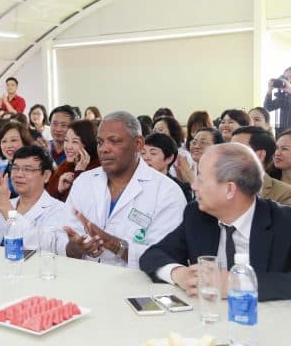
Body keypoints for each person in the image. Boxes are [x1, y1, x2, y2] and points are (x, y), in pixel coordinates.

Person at [139, 143, 291, 301]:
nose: (194, 186)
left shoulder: (289, 223)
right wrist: (179, 274)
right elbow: (154, 254)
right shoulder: (197, 215)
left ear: (230, 189)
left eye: (201, 179)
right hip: (208, 319)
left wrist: (237, 284)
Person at [61, 111, 187, 268]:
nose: (104, 149)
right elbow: (64, 242)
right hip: (83, 277)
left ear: (138, 143)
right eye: (100, 142)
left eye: (114, 141)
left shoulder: (167, 192)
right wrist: (76, 247)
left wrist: (112, 243)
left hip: (138, 282)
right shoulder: (84, 182)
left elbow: (165, 257)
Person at [0, 146, 65, 250]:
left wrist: (4, 206)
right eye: (15, 168)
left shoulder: (58, 210)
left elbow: (45, 246)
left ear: (46, 175)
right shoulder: (6, 204)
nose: (19, 174)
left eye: (27, 169)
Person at [231, 126, 291, 207]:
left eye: (238, 149)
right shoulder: (220, 184)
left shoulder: (284, 193)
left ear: (260, 155)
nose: (228, 155)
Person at [46, 120, 100, 202]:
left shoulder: (97, 169)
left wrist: (79, 172)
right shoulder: (66, 165)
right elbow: (47, 202)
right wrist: (59, 190)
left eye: (75, 142)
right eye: (66, 140)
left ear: (87, 144)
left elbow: (79, 203)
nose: (68, 147)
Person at [142, 133, 193, 202]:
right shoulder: (134, 183)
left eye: (153, 153)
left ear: (169, 158)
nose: (146, 158)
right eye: (143, 153)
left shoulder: (181, 188)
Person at [0, 121, 34, 198]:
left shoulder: (34, 170)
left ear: (25, 142)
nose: (8, 145)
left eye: (13, 140)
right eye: (4, 141)